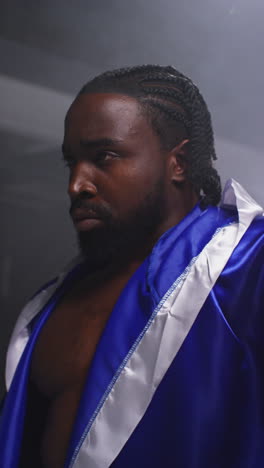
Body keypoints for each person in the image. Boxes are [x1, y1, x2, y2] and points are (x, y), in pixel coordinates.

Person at [0, 65, 263, 468]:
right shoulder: (51, 306)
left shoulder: (244, 266)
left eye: (104, 156)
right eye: (71, 162)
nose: (77, 184)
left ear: (178, 163)